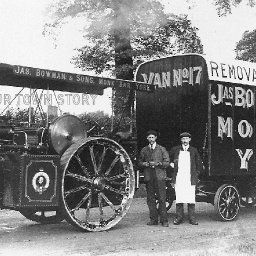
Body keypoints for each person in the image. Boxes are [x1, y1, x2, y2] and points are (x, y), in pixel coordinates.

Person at [169, 132, 203, 225]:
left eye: (186, 139)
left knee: (190, 198)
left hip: (189, 178)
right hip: (179, 177)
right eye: (183, 139)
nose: (185, 141)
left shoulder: (194, 150)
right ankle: (179, 218)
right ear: (181, 140)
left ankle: (192, 218)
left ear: (189, 140)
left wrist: (196, 174)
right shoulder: (175, 150)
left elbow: (199, 164)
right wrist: (171, 164)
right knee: (179, 198)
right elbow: (168, 159)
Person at [138, 129, 170, 227]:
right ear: (147, 138)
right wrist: (145, 164)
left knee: (162, 198)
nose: (151, 139)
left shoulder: (161, 149)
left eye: (153, 137)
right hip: (149, 177)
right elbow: (139, 163)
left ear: (156, 138)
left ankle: (164, 220)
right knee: (150, 199)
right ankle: (153, 219)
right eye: (149, 137)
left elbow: (167, 162)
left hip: (159, 177)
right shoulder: (144, 150)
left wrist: (158, 163)